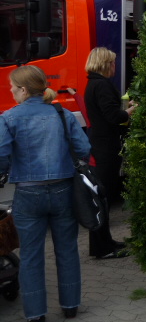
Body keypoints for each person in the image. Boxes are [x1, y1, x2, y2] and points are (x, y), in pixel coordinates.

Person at [0, 65, 91, 321]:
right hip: (64, 190)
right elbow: (84, 148)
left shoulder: (8, 117)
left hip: (28, 195)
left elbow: (1, 153)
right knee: (67, 250)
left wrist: (5, 171)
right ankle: (70, 306)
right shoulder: (62, 114)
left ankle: (36, 314)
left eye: (12, 87)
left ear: (23, 90)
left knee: (31, 255)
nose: (11, 91)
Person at [84, 47, 136, 259]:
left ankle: (106, 242)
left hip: (100, 145)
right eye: (113, 62)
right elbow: (114, 116)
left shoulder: (93, 83)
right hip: (106, 148)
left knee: (102, 197)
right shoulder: (102, 85)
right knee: (103, 198)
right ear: (105, 64)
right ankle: (102, 248)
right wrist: (132, 110)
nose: (115, 66)